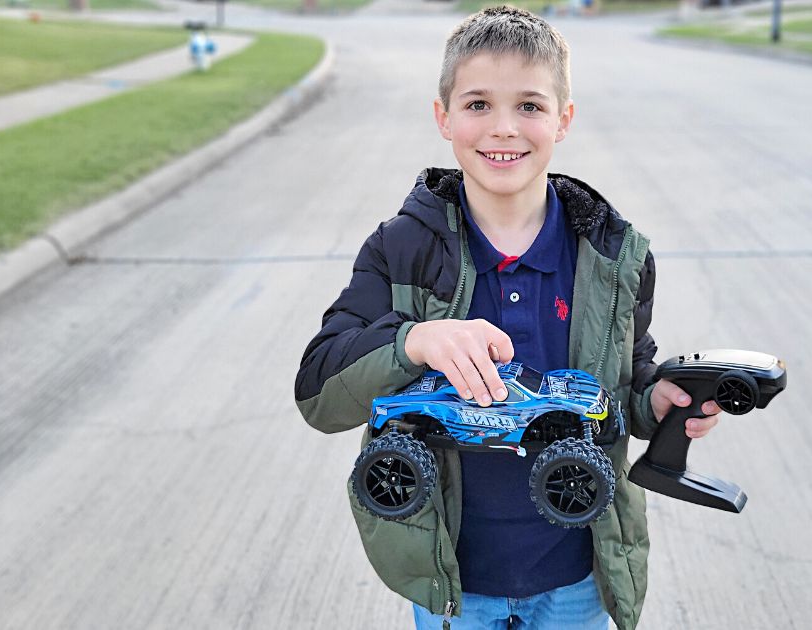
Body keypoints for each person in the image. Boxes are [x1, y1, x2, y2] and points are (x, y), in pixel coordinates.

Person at [293, 6, 723, 629]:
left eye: (529, 105)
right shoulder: (401, 249)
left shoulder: (613, 256)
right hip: (452, 578)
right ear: (443, 117)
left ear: (563, 119)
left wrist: (658, 404)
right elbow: (319, 394)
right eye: (477, 105)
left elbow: (625, 387)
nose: (502, 129)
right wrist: (415, 342)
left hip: (577, 570)